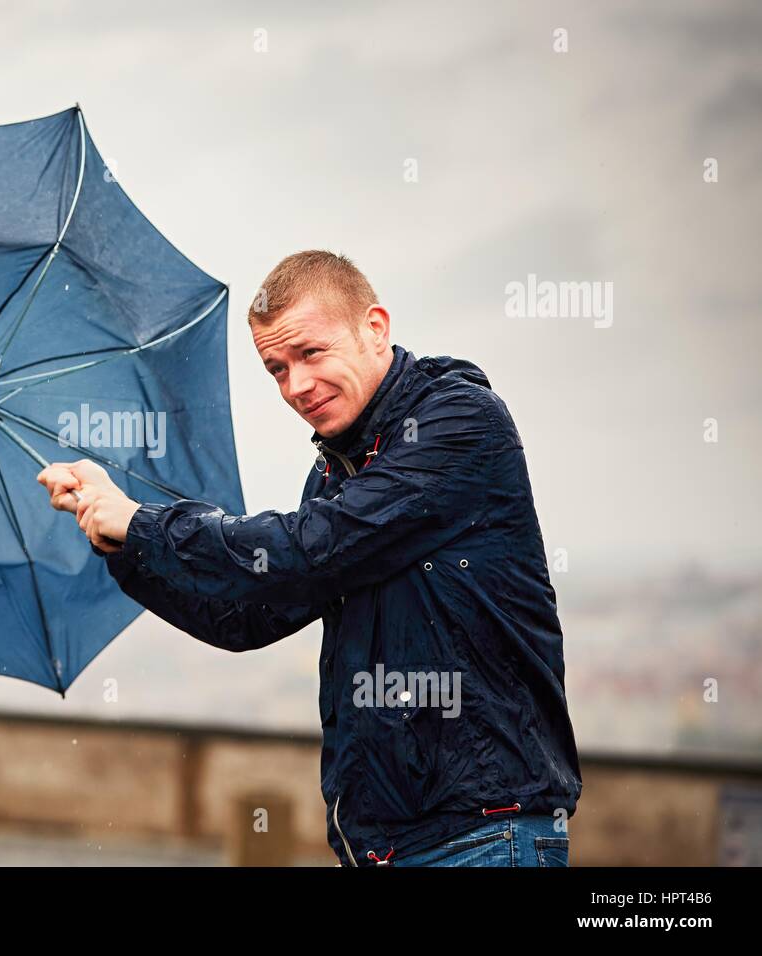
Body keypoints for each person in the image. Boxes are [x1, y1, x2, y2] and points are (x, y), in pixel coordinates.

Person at [36, 250, 582, 867]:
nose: (295, 386)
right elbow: (246, 618)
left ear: (374, 328)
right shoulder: (336, 474)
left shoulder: (461, 425)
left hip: (483, 837)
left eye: (310, 354)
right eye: (275, 369)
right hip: (380, 846)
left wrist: (142, 521)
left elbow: (306, 547)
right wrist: (122, 545)